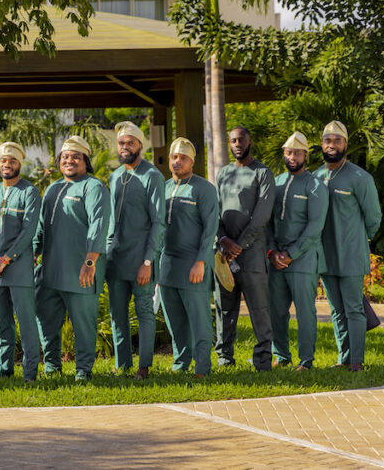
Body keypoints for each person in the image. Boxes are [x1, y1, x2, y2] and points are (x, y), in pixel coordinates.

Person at [34, 135, 111, 382]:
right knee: (46, 321)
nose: (69, 161)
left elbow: (99, 227)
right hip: (50, 272)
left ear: (86, 162)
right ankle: (52, 367)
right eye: (65, 157)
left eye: (76, 157)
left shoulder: (94, 187)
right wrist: (33, 255)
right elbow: (41, 227)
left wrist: (90, 263)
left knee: (83, 325)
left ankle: (83, 370)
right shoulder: (53, 189)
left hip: (81, 272)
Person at [314, 120, 382, 371]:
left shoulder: (360, 178)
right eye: (328, 141)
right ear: (322, 144)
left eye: (337, 141)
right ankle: (343, 358)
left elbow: (374, 217)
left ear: (345, 145)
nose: (332, 145)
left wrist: (358, 241)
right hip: (325, 256)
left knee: (354, 309)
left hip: (352, 255)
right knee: (336, 310)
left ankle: (356, 362)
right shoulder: (315, 177)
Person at [105, 121, 164, 380]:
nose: (125, 147)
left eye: (130, 142)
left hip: (141, 261)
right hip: (115, 260)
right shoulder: (115, 176)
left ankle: (144, 367)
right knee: (117, 316)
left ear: (140, 145)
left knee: (143, 313)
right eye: (121, 143)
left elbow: (159, 222)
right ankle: (123, 365)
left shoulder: (152, 176)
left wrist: (148, 261)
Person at [214, 126, 276, 371]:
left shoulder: (262, 173)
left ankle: (262, 360)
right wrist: (223, 240)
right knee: (224, 309)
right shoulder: (224, 173)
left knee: (259, 309)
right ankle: (224, 359)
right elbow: (215, 212)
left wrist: (239, 244)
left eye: (241, 139)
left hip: (251, 255)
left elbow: (262, 215)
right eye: (233, 140)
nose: (237, 143)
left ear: (250, 141)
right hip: (224, 255)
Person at [0, 141, 42, 382]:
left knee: (26, 323)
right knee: (2, 324)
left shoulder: (29, 192)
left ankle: (30, 373)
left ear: (20, 164)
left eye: (12, 161)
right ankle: (4, 371)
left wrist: (5, 260)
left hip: (18, 270)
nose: (7, 165)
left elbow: (28, 232)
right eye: (3, 161)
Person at [158, 138, 219, 378]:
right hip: (167, 264)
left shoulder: (203, 188)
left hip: (194, 263)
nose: (177, 161)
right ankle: (180, 363)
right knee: (174, 319)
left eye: (183, 158)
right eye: (174, 157)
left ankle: (202, 367)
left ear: (192, 161)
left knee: (199, 319)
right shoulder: (163, 187)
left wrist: (201, 261)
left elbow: (210, 229)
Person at [268, 131, 328, 372]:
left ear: (306, 155)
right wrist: (272, 253)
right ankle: (281, 355)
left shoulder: (315, 186)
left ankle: (306, 361)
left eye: (297, 153)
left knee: (305, 312)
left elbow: (315, 227)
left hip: (303, 259)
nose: (292, 157)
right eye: (289, 152)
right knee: (276, 310)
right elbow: (268, 222)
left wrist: (291, 254)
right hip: (276, 259)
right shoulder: (277, 182)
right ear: (284, 154)